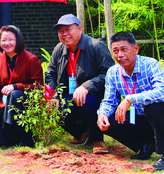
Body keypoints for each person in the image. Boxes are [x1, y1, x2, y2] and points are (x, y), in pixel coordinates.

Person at [97, 32, 164, 171]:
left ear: (136, 49)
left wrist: (131, 98)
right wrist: (102, 114)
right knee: (109, 120)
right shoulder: (112, 73)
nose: (120, 55)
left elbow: (163, 92)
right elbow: (109, 101)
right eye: (115, 51)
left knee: (154, 107)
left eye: (124, 49)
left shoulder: (150, 64)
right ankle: (145, 143)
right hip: (141, 120)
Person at [45, 14, 114, 154]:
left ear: (80, 29)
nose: (65, 34)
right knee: (54, 107)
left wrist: (87, 86)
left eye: (68, 29)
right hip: (69, 95)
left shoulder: (96, 46)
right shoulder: (60, 49)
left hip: (93, 95)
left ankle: (97, 139)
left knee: (87, 101)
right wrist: (54, 95)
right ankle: (82, 134)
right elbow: (50, 74)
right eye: (61, 31)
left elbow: (109, 74)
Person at [0, 25, 43, 147]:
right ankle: (0, 143)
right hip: (4, 100)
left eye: (11, 40)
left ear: (18, 40)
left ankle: (24, 139)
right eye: (3, 40)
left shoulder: (31, 59)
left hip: (25, 101)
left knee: (16, 95)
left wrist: (16, 86)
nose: (7, 43)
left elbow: (38, 86)